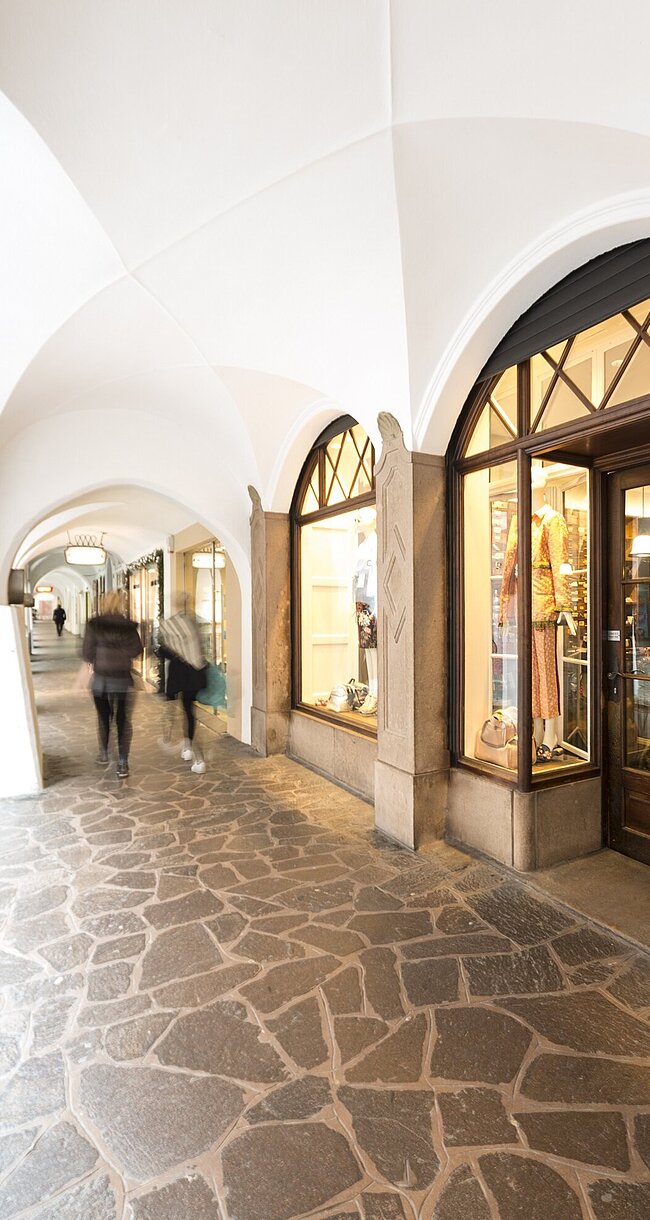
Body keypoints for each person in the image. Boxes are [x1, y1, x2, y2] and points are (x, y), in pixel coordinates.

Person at [82, 591, 143, 778]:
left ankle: (104, 751)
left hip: (100, 679)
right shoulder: (127, 627)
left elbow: (86, 652)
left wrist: (99, 654)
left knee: (103, 716)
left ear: (103, 604)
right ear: (121, 604)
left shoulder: (95, 625)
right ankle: (122, 762)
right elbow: (136, 650)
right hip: (122, 679)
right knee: (122, 720)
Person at [157, 602, 208, 774]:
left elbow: (164, 652)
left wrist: (168, 652)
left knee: (177, 710)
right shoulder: (194, 626)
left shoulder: (170, 627)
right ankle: (188, 747)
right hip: (193, 674)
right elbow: (201, 650)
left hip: (178, 675)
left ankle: (196, 755)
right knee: (189, 711)